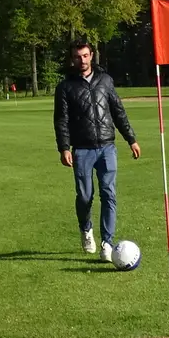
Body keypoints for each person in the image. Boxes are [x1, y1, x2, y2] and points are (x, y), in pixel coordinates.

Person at [53, 40, 141, 260]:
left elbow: (118, 111)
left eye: (85, 56)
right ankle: (86, 229)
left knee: (108, 193)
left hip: (107, 147)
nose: (81, 60)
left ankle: (107, 243)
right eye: (77, 57)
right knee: (85, 196)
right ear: (72, 59)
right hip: (81, 149)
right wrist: (64, 148)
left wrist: (131, 139)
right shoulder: (65, 87)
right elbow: (61, 120)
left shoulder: (105, 81)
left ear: (92, 55)